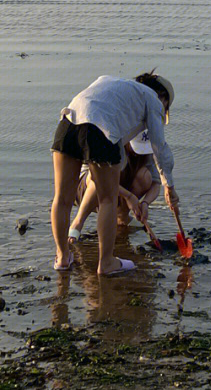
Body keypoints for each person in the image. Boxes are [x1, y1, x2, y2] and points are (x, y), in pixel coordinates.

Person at [51, 73, 178, 275]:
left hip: (68, 122)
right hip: (99, 131)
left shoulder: (110, 82)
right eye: (166, 107)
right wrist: (169, 186)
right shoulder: (152, 100)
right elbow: (159, 147)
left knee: (62, 198)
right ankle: (107, 262)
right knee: (108, 198)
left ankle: (63, 258)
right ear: (162, 97)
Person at [68, 131, 160, 239]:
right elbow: (98, 178)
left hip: (114, 190)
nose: (138, 153)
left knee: (145, 176)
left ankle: (121, 217)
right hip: (88, 190)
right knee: (98, 177)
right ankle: (78, 222)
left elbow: (156, 183)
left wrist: (145, 203)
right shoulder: (113, 144)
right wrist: (129, 196)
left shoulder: (147, 153)